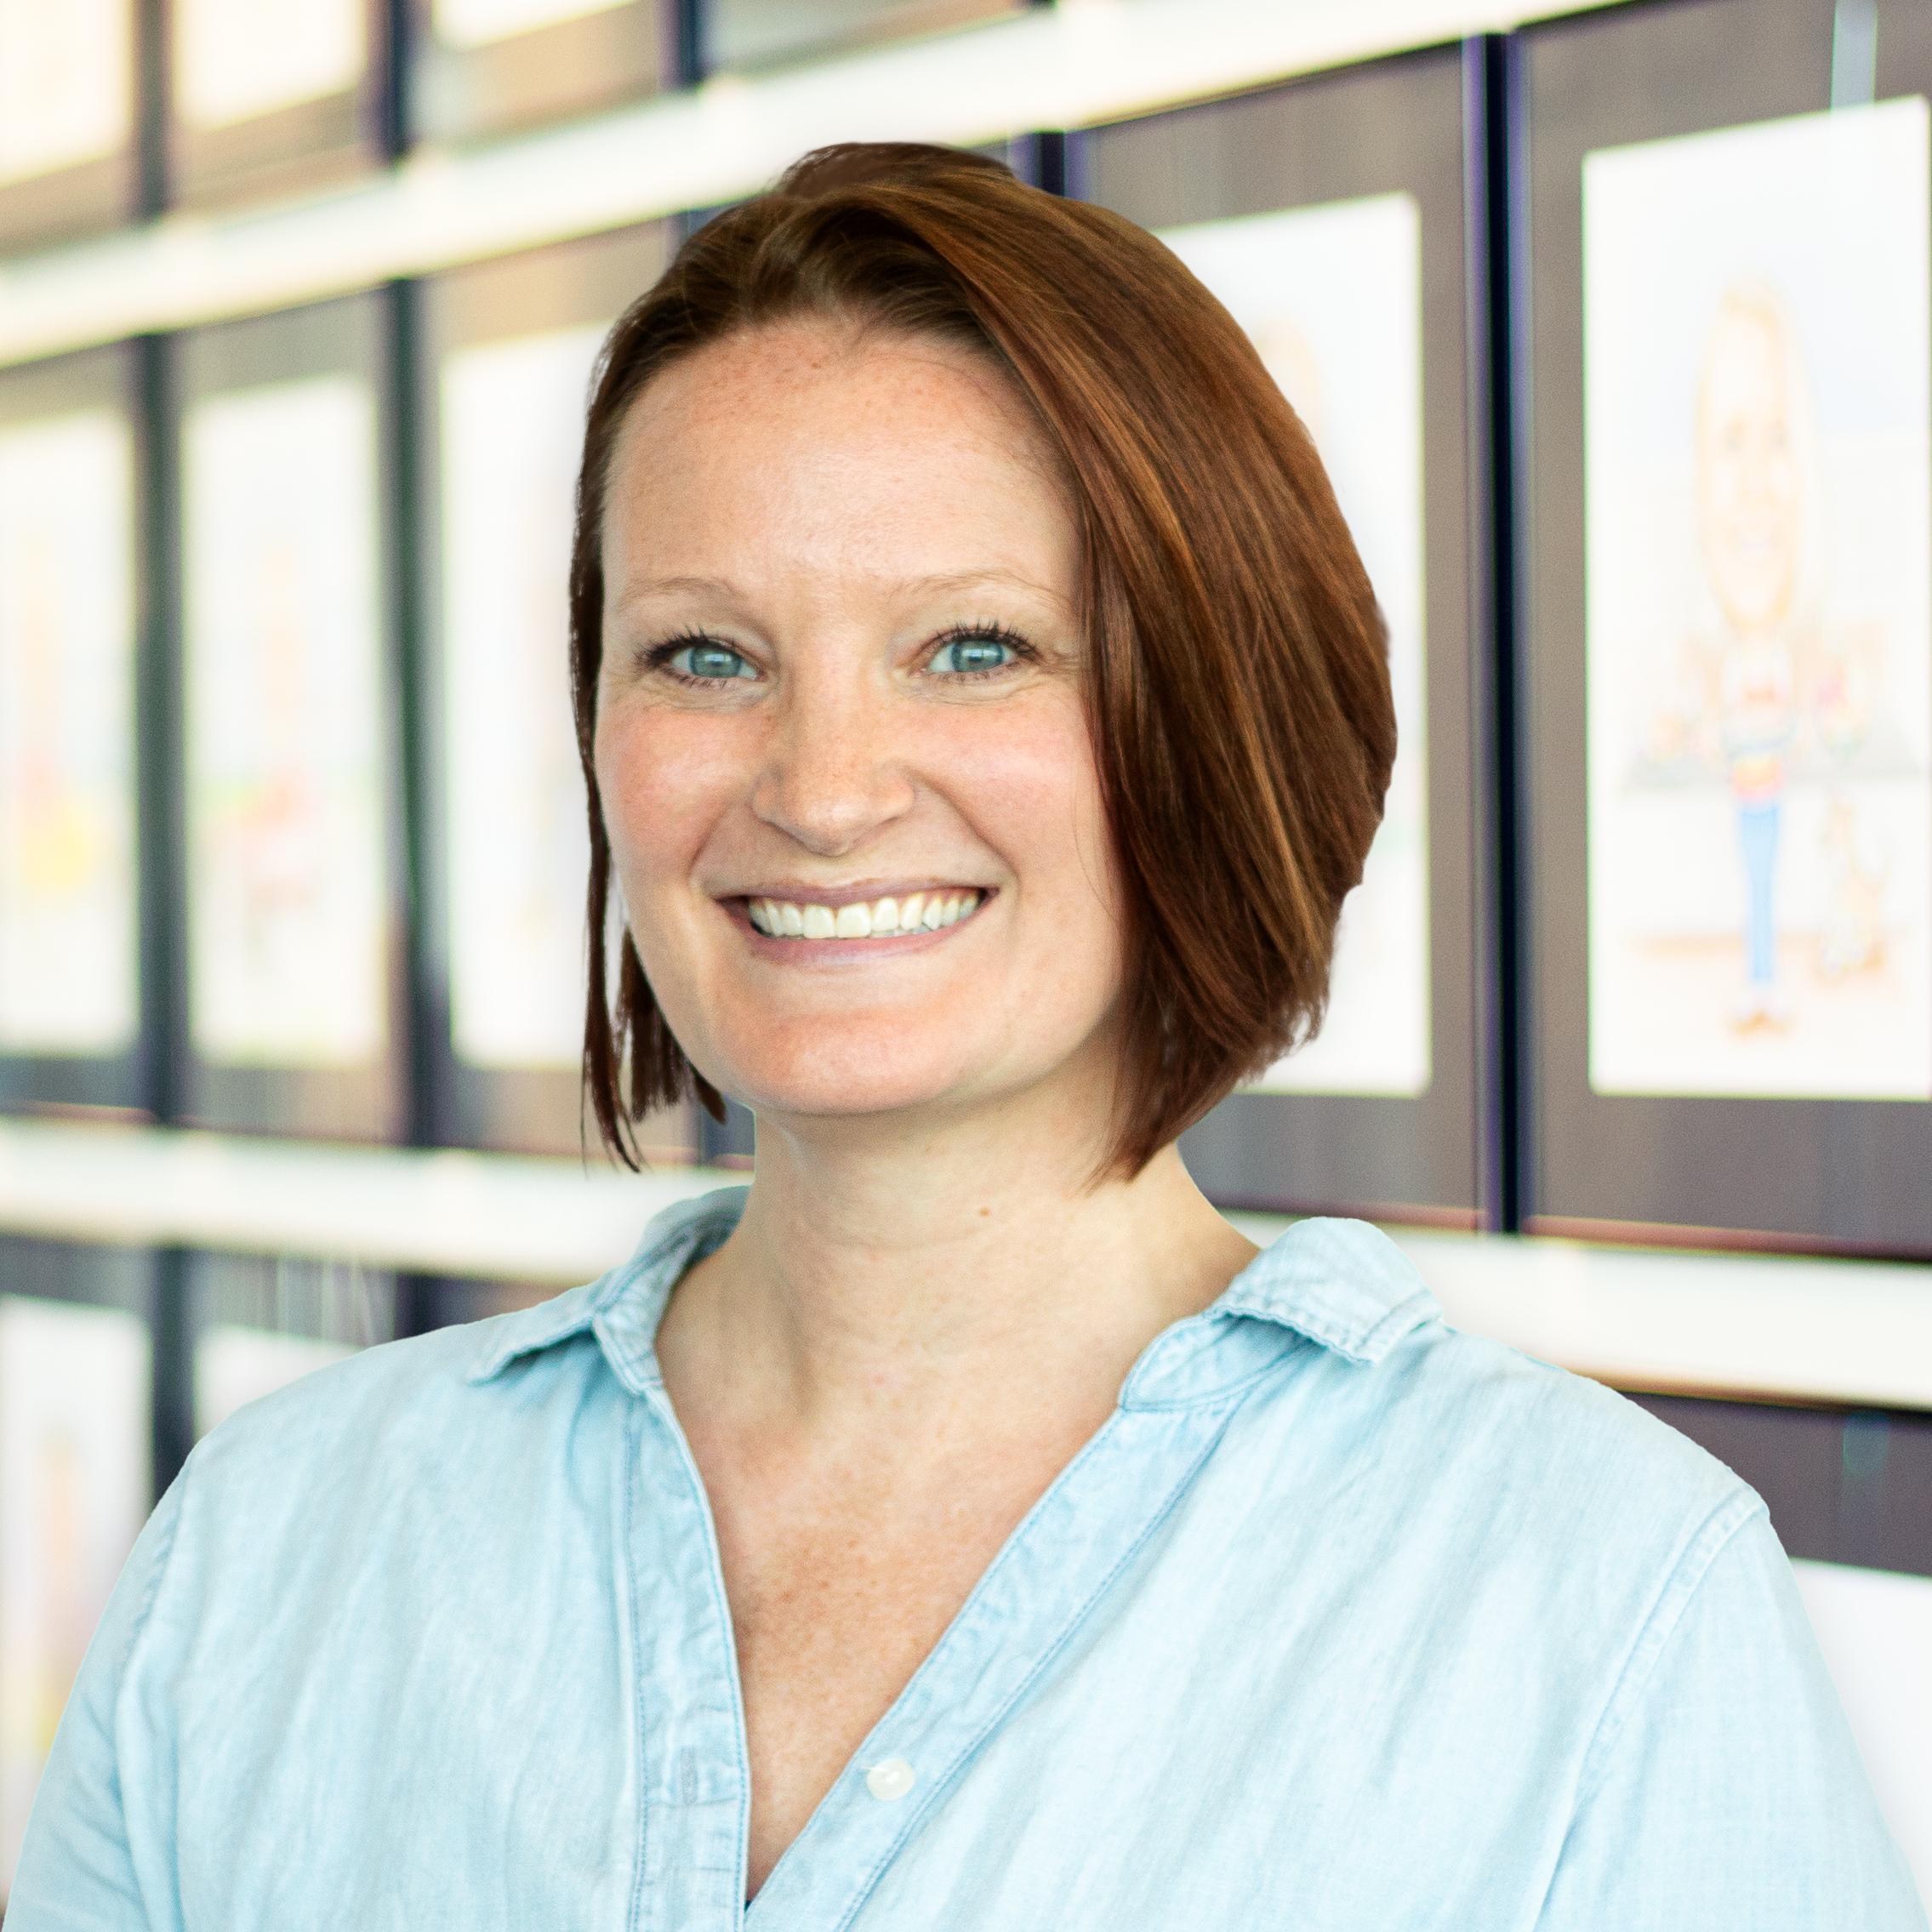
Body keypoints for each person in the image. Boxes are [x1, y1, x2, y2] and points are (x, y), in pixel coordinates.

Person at [9, 143, 1920, 1929]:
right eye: (703, 654)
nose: (822, 788)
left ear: (1213, 709)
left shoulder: (1596, 1611)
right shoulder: (268, 1555)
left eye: (976, 646)